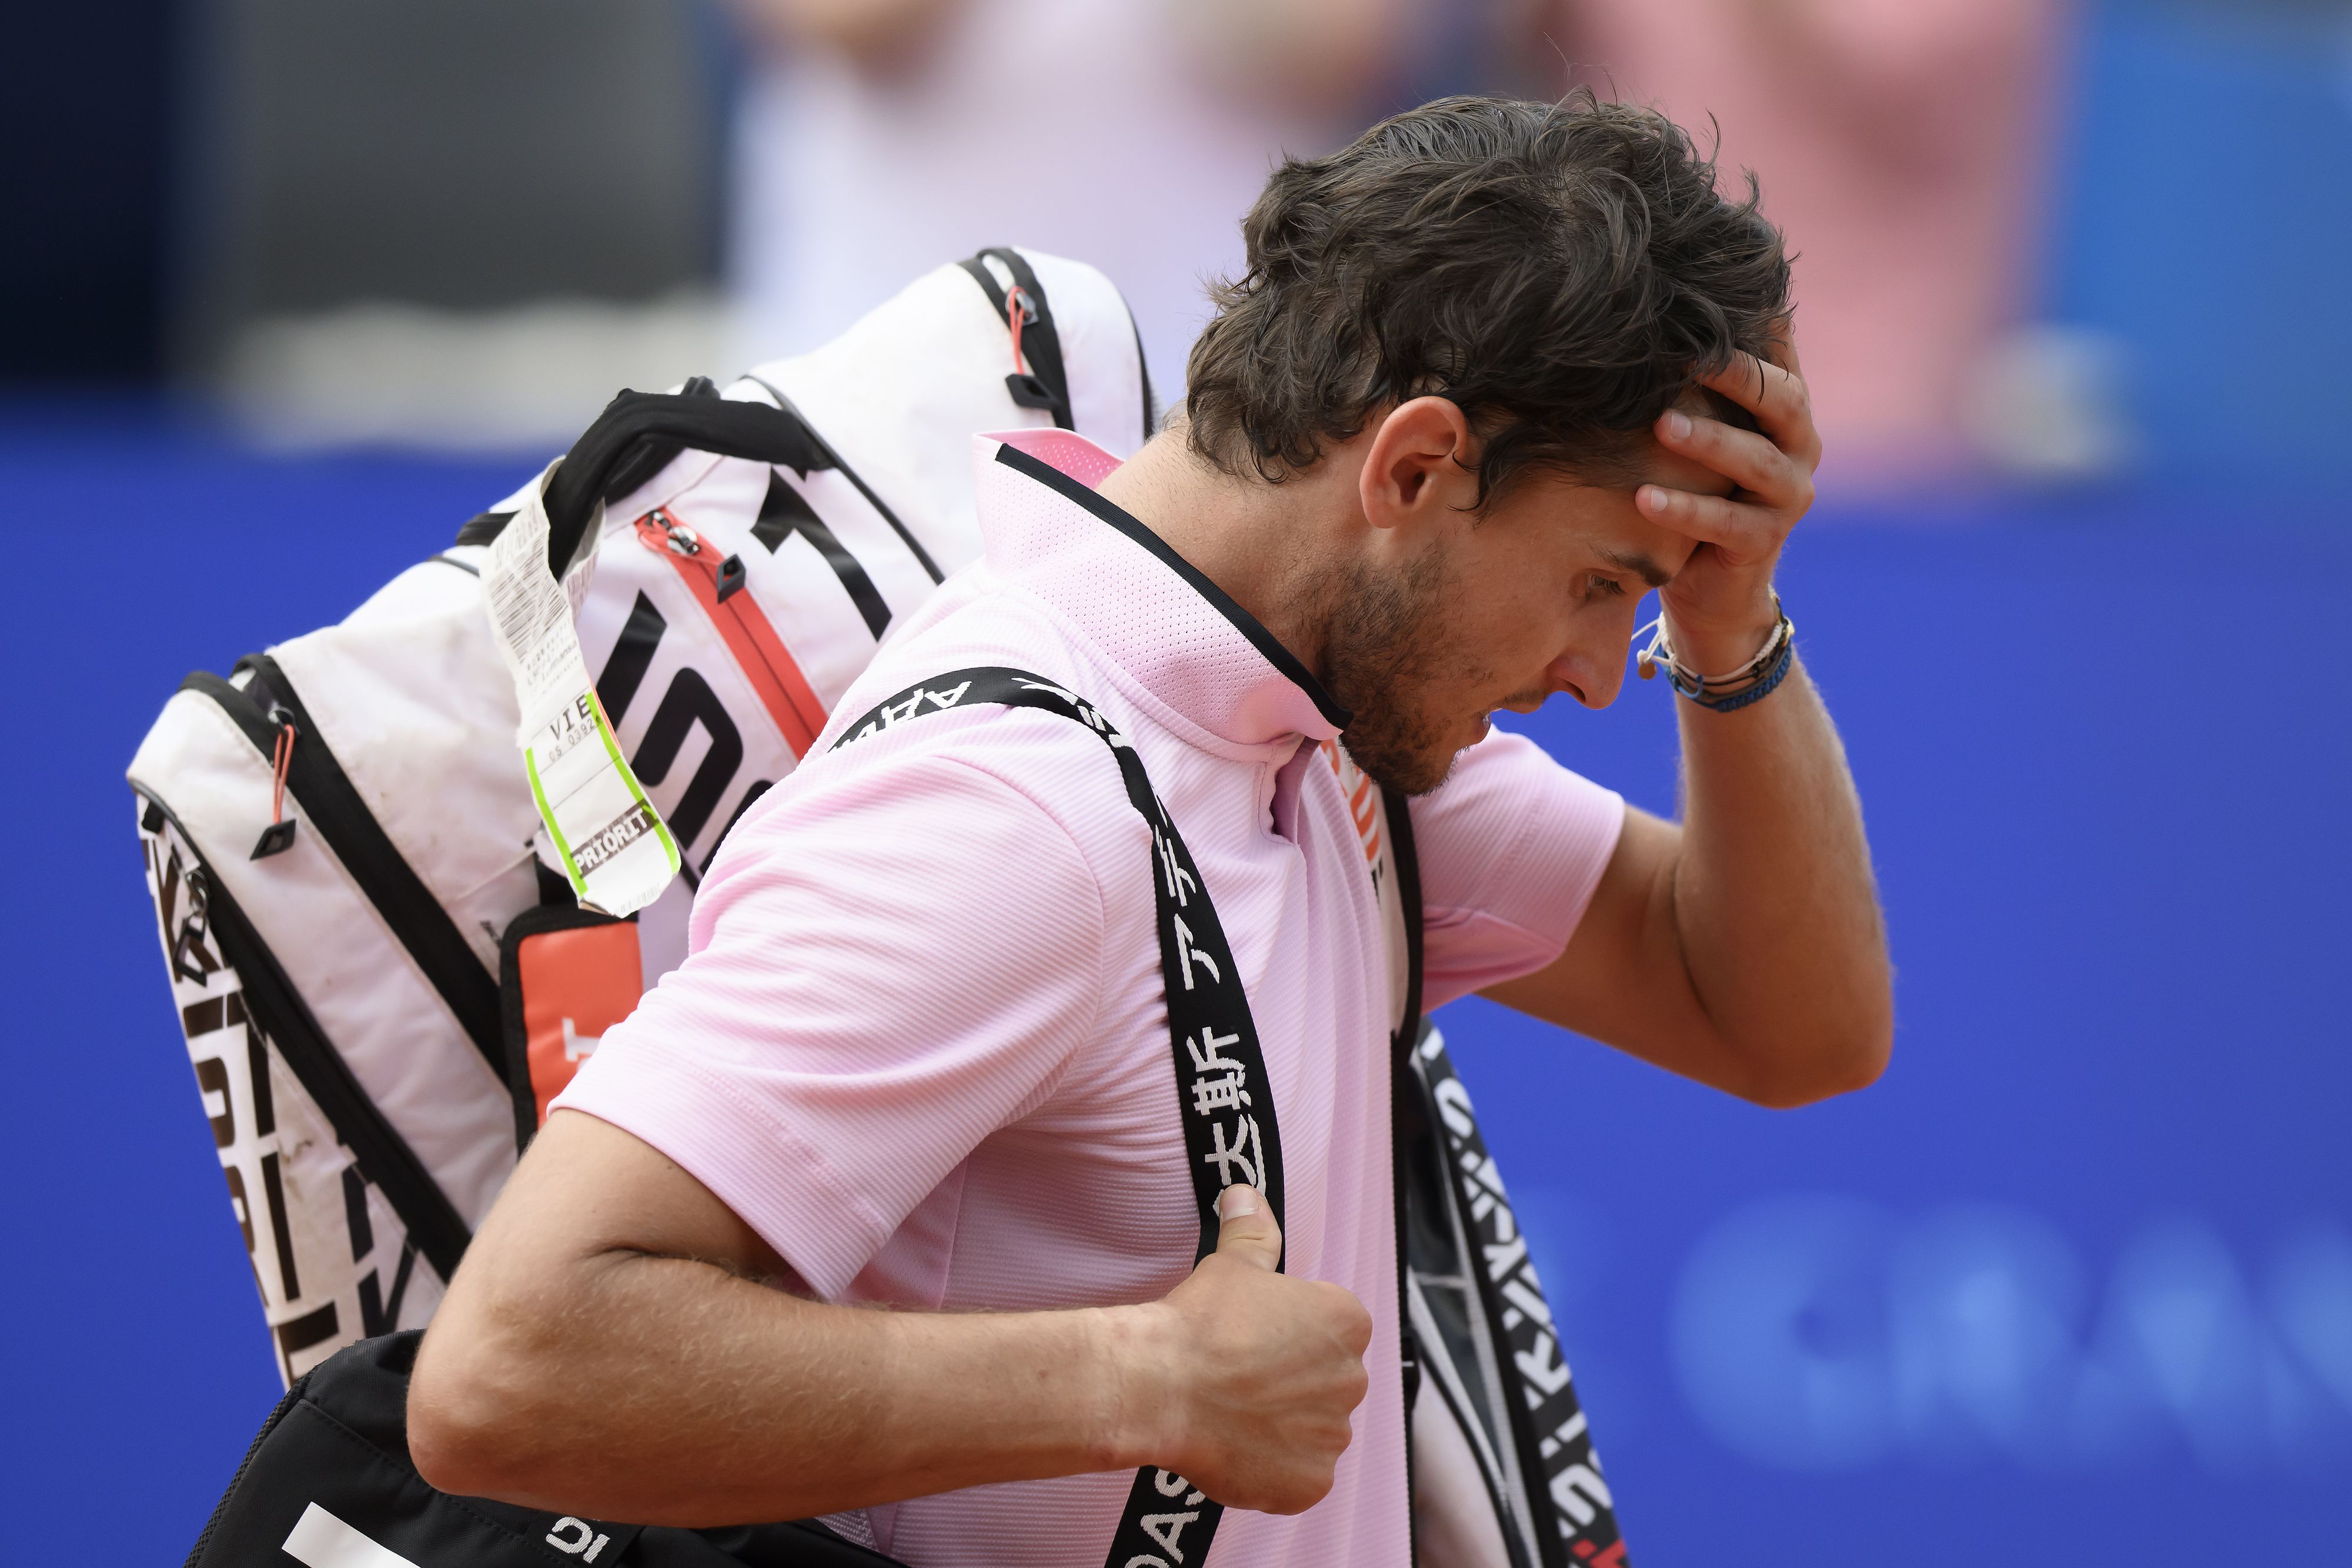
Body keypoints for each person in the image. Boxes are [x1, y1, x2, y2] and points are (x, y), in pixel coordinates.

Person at [408, 93, 1893, 1566]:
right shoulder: (1011, 807)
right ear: (1416, 467)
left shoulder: (1330, 728)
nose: (1589, 673)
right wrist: (1141, 1380)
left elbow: (1782, 1025)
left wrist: (1727, 618)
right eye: (1598, 583)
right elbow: (511, 1365)